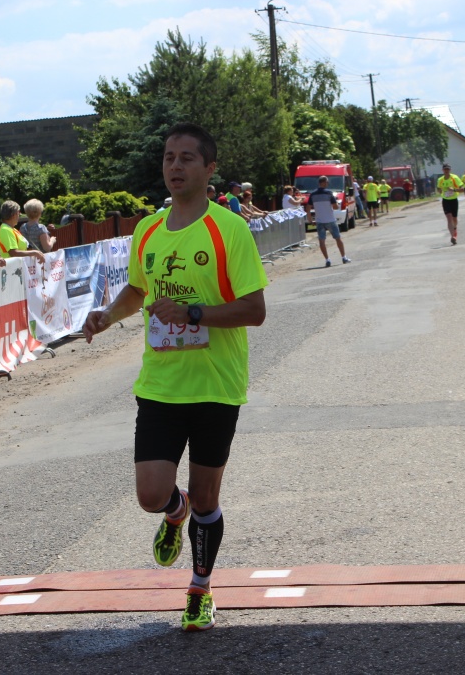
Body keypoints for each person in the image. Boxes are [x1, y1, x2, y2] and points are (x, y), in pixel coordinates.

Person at [82, 122, 267, 632]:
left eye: (187, 158)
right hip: (161, 384)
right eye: (169, 157)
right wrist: (106, 314)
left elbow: (254, 310)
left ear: (209, 169)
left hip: (215, 385)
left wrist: (193, 313)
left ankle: (200, 589)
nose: (175, 166)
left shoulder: (229, 229)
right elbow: (137, 291)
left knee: (209, 497)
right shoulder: (147, 229)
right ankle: (173, 512)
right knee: (150, 493)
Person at [307, 175, 351, 266]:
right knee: (338, 239)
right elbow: (335, 207)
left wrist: (310, 220)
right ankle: (344, 257)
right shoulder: (328, 193)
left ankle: (327, 260)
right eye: (327, 182)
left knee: (322, 241)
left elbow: (308, 208)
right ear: (323, 182)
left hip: (319, 220)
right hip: (330, 219)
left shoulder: (313, 194)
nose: (328, 184)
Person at [436, 164, 464, 245]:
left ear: (450, 170)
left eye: (448, 169)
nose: (446, 171)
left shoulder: (454, 178)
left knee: (454, 219)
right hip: (445, 200)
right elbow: (438, 187)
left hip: (454, 200)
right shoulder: (440, 179)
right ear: (442, 170)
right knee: (449, 218)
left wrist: (454, 190)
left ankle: (455, 229)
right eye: (445, 169)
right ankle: (453, 237)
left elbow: (462, 189)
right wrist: (440, 190)